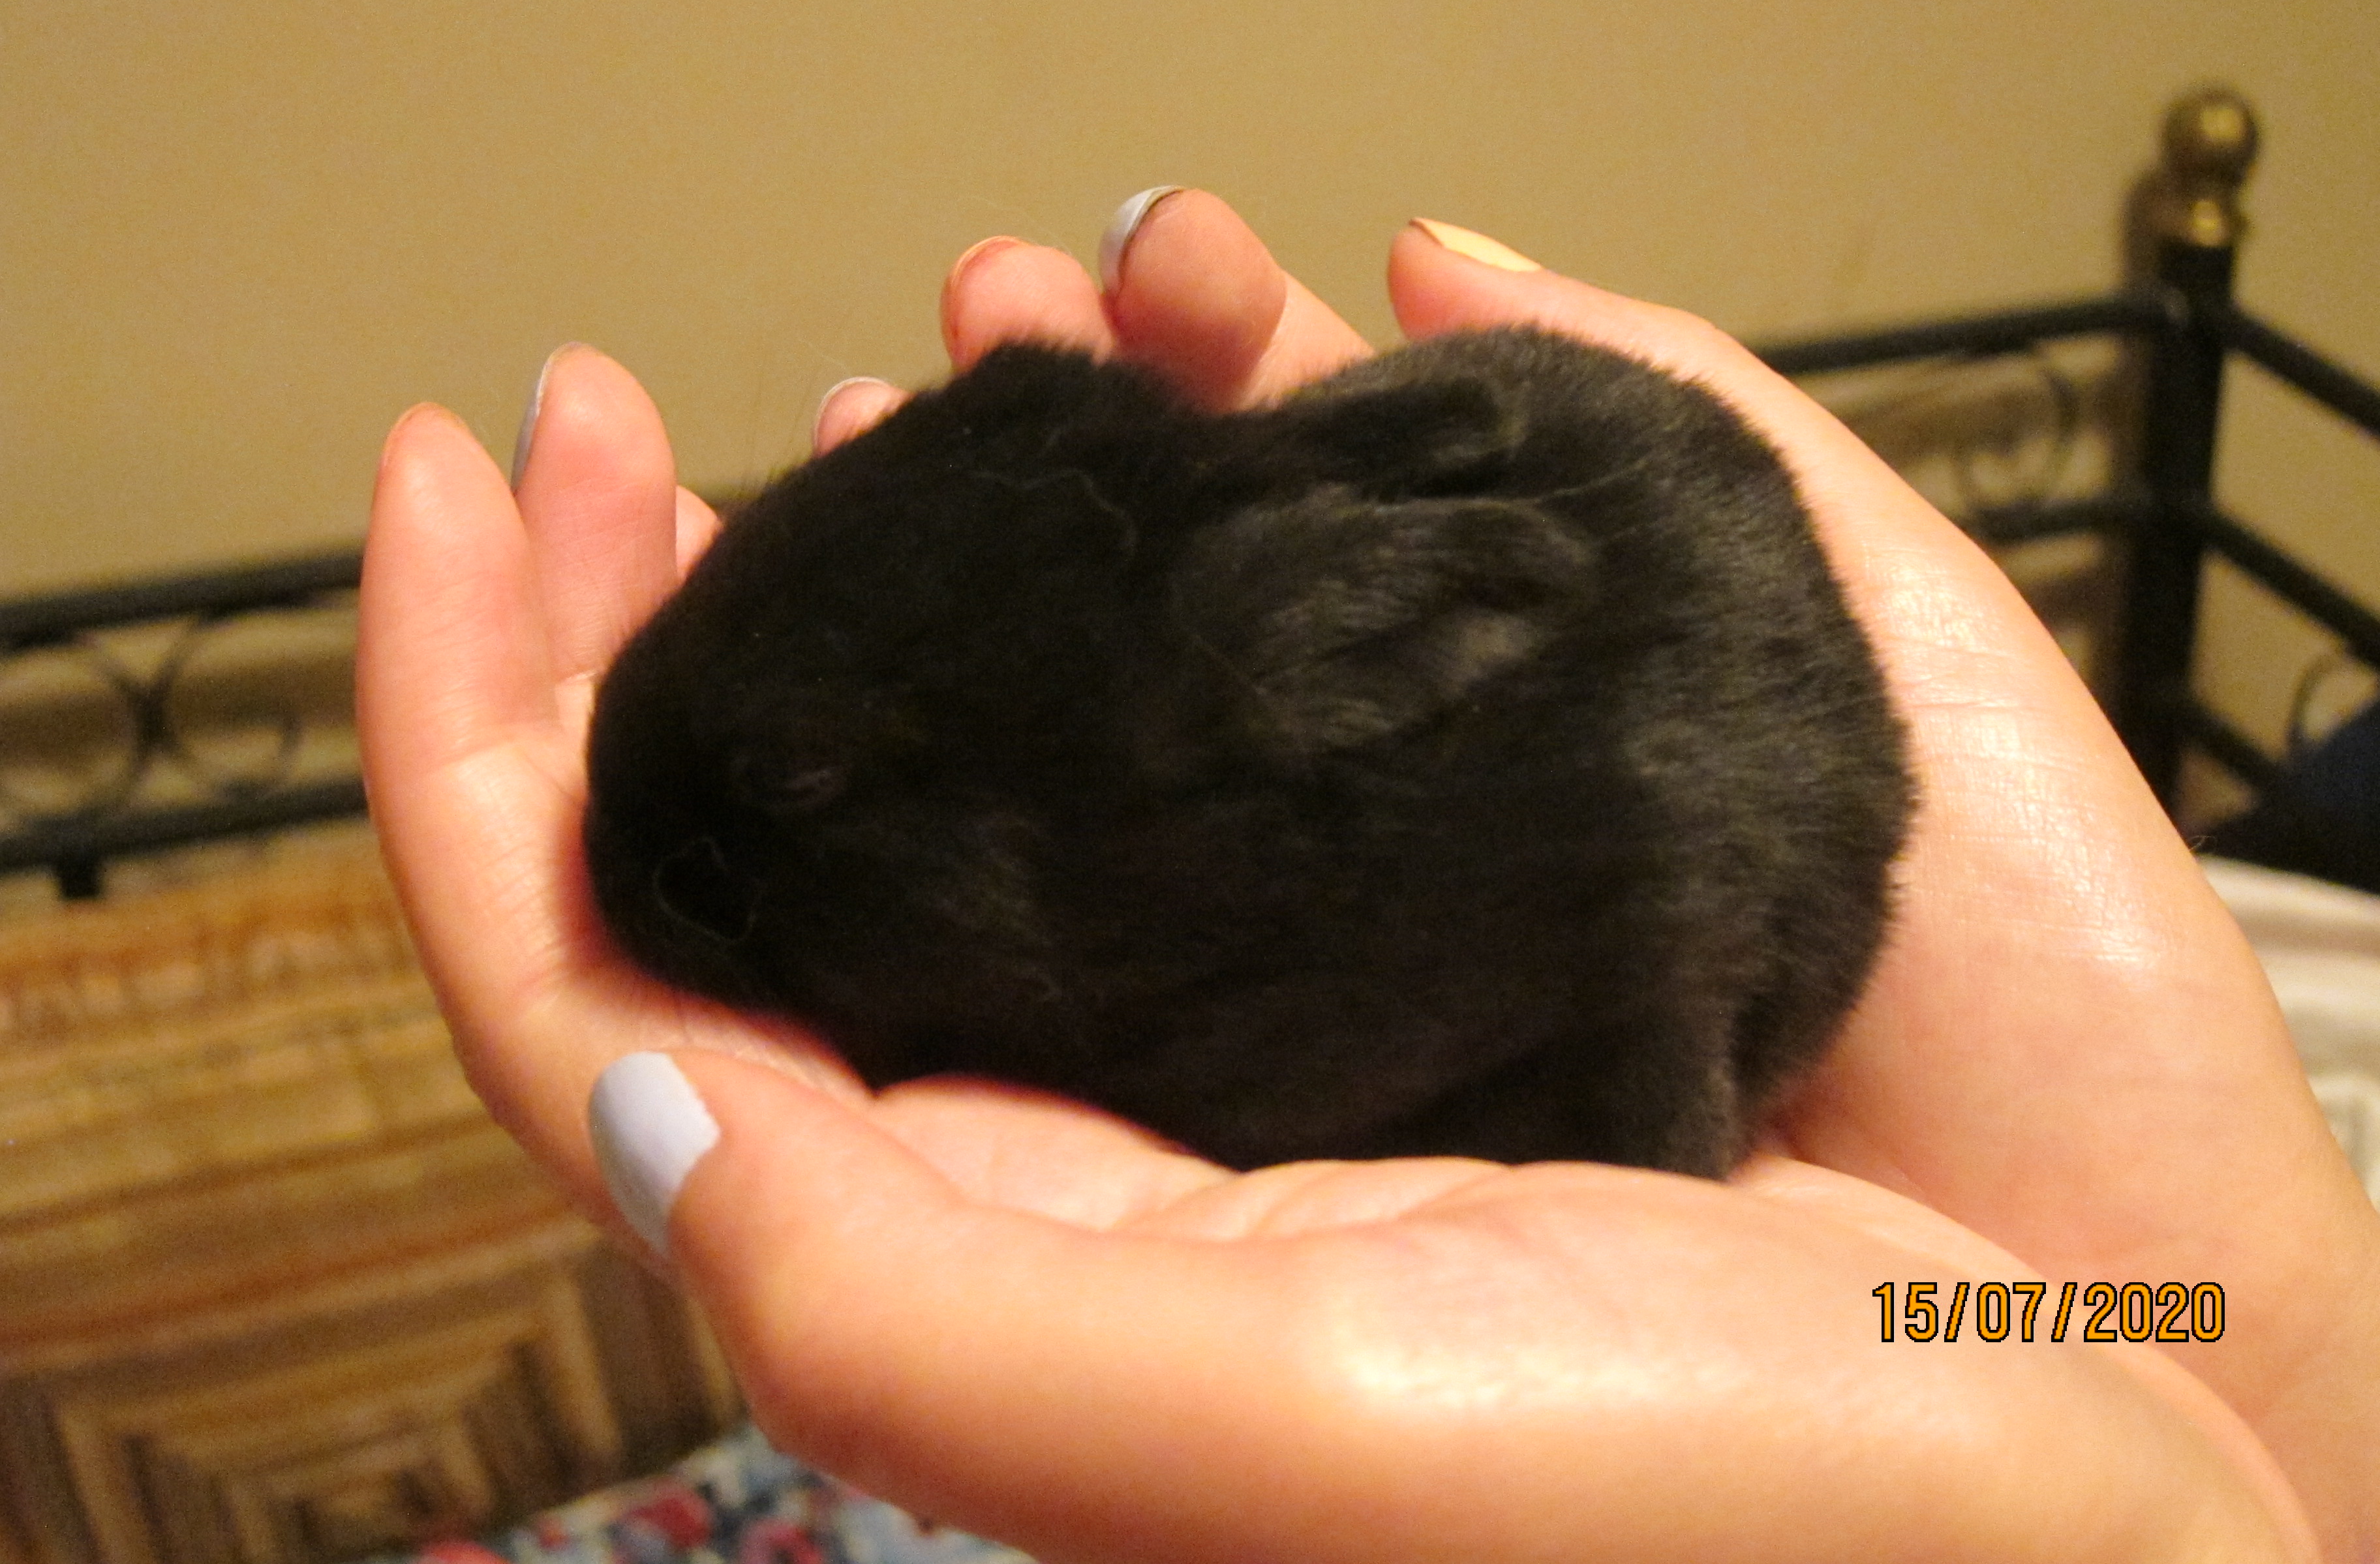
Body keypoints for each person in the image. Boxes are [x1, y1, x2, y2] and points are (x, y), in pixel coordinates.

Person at [358, 190, 2375, 1561]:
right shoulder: (1182, 878)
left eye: (796, 783)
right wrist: (2238, 1408)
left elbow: (1664, 948)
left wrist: (2195, 1373)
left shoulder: (1349, 906)